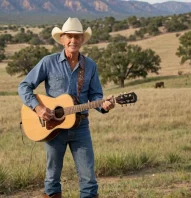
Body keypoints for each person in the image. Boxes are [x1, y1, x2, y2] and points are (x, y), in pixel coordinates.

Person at [18, 17, 115, 198]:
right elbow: (23, 86)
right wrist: (38, 108)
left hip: (81, 127)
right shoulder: (48, 62)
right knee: (52, 178)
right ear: (62, 39)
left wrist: (105, 106)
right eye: (69, 36)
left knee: (89, 179)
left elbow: (95, 96)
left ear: (82, 40)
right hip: (53, 128)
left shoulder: (90, 66)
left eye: (77, 37)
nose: (73, 40)